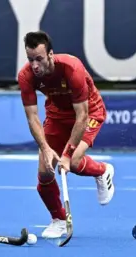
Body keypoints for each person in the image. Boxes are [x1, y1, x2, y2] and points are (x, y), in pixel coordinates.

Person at [17, 30, 115, 239]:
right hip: (56, 115)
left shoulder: (72, 68)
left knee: (75, 161)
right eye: (30, 59)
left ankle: (102, 171)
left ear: (51, 55)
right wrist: (46, 149)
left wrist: (68, 154)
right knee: (45, 173)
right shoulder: (26, 76)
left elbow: (82, 116)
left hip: (89, 111)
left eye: (39, 59)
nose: (34, 65)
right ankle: (59, 220)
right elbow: (33, 118)